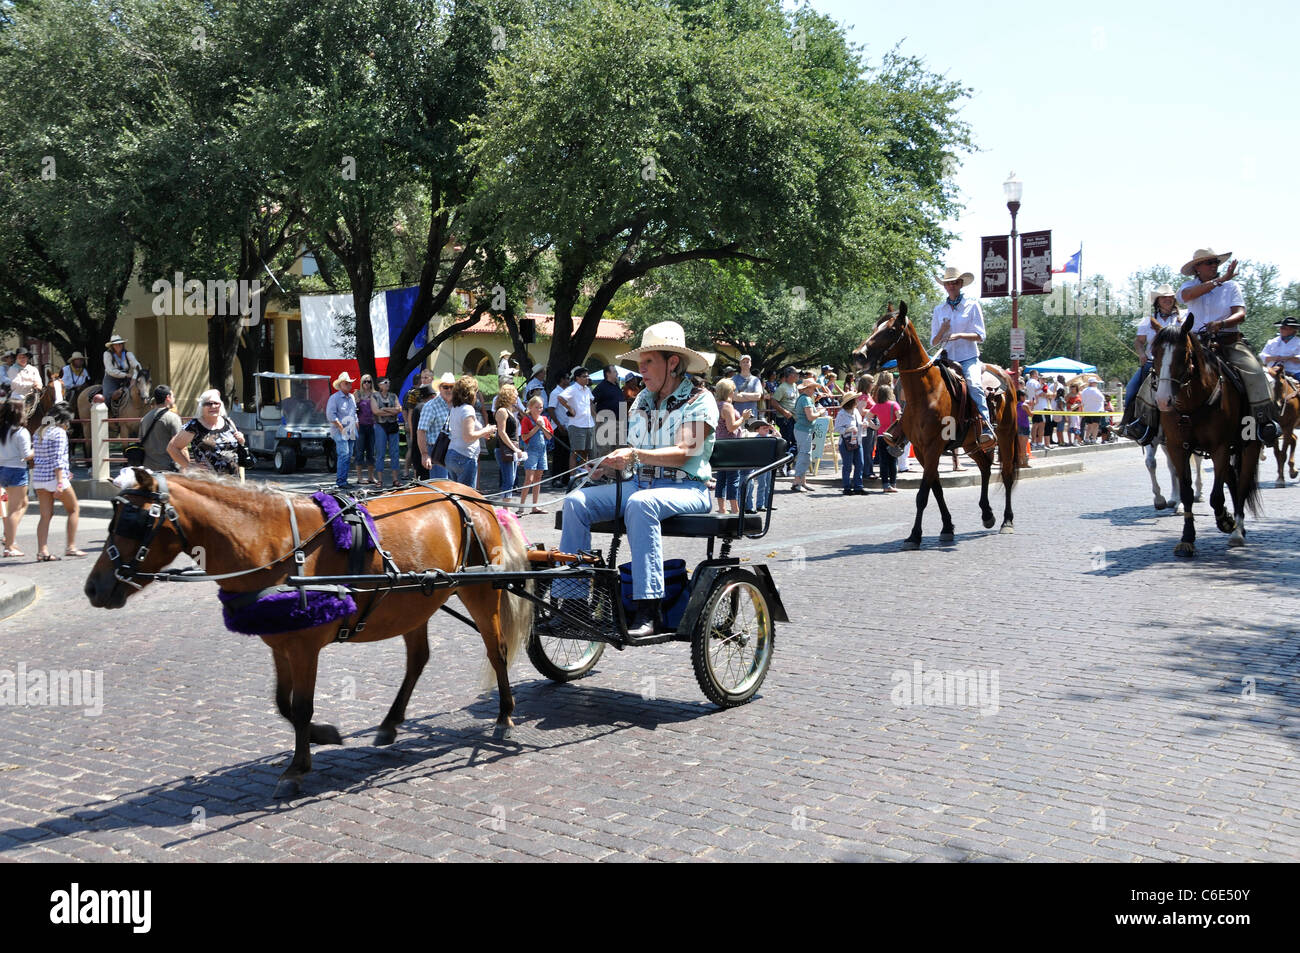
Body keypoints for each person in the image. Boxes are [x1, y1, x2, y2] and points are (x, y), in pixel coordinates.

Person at [553, 321, 717, 638]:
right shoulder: (641, 400)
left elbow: (684, 452)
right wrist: (606, 467)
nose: (641, 370)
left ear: (673, 362)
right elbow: (630, 453)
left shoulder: (700, 399)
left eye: (648, 362)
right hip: (639, 485)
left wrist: (634, 456)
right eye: (640, 364)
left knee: (641, 504)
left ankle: (649, 608)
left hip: (687, 489)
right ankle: (573, 604)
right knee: (574, 502)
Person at [1174, 247, 1279, 442]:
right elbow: (1187, 296)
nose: (1214, 265)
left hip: (1228, 341)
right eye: (1209, 262)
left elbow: (1240, 314)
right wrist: (1219, 281)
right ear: (1197, 267)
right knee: (1161, 373)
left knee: (1255, 372)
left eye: (1216, 262)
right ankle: (1151, 423)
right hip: (1196, 344)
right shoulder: (1187, 286)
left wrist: (1221, 323)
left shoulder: (1232, 287)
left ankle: (1264, 422)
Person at [931, 266, 997, 449]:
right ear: (944, 286)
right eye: (948, 283)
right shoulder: (939, 310)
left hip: (968, 357)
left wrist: (958, 335)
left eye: (954, 282)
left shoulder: (972, 305)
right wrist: (943, 331)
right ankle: (911, 429)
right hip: (945, 358)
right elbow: (933, 341)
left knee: (974, 385)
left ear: (960, 284)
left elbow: (980, 335)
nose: (951, 286)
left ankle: (986, 426)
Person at [1121, 285, 1180, 438]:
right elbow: (1139, 342)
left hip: (1177, 365)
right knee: (1131, 389)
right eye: (1163, 297)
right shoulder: (1148, 321)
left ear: (1174, 299)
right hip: (1152, 363)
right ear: (1157, 301)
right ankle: (1128, 424)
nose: (1167, 299)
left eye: (1170, 297)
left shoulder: (1183, 318)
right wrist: (1141, 354)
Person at [31, 403, 85, 560]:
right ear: (64, 420)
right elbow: (58, 459)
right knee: (74, 509)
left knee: (45, 516)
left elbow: (42, 457)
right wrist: (61, 482)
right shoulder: (60, 433)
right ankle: (71, 547)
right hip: (55, 478)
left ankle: (42, 551)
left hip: (40, 478)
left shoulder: (38, 432)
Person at [168, 389, 246, 475]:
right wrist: (189, 466)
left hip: (233, 482)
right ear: (201, 406)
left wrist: (241, 441)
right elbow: (172, 447)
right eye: (208, 404)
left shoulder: (228, 422)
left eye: (216, 403)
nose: (213, 406)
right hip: (208, 482)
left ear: (221, 405)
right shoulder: (194, 425)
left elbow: (238, 450)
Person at [445, 375, 495, 488]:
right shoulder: (468, 409)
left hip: (453, 454)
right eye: (476, 391)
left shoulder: (455, 408)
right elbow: (468, 436)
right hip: (464, 456)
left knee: (456, 496)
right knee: (466, 498)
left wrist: (483, 432)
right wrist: (487, 430)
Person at [1, 397, 33, 557]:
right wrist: (37, 450)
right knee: (14, 510)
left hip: (2, 470)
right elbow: (27, 455)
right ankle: (9, 545)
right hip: (16, 471)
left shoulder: (2, 430)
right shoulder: (21, 432)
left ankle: (9, 536)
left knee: (16, 506)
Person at [713, 378, 749, 513]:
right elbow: (731, 427)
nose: (735, 393)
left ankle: (722, 508)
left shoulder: (716, 404)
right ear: (729, 391)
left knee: (721, 477)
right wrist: (743, 418)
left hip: (719, 443)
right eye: (734, 390)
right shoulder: (727, 406)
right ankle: (735, 508)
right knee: (733, 477)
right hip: (730, 445)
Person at [517, 394, 553, 514]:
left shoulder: (545, 419)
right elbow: (524, 437)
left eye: (541, 407)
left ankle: (535, 506)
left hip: (542, 451)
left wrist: (542, 426)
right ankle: (521, 506)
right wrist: (536, 427)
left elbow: (549, 436)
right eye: (537, 407)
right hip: (531, 450)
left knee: (538, 478)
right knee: (529, 479)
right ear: (530, 407)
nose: (539, 409)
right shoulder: (527, 420)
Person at [558, 366, 597, 473]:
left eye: (587, 376)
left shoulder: (587, 389)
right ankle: (572, 478)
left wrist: (596, 416)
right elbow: (560, 397)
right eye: (584, 376)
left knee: (585, 452)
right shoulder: (572, 389)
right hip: (577, 425)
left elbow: (590, 403)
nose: (587, 378)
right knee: (575, 452)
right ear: (577, 378)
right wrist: (570, 408)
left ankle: (583, 476)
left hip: (588, 424)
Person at [418, 372, 456, 480]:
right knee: (441, 487)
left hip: (455, 450)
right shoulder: (430, 406)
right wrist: (425, 454)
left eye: (451, 387)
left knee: (456, 488)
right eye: (446, 387)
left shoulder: (457, 404)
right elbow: (421, 431)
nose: (449, 390)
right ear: (440, 388)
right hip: (436, 450)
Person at [790, 376, 824, 492]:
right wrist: (819, 412)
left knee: (804, 456)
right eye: (814, 388)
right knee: (804, 456)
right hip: (804, 430)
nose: (815, 390)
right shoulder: (805, 399)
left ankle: (802, 482)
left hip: (803, 430)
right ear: (808, 388)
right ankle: (796, 482)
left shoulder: (804, 398)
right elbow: (810, 417)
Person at [138, 384, 183, 471]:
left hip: (148, 468)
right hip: (168, 468)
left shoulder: (144, 418)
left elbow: (140, 440)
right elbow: (180, 445)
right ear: (168, 397)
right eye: (173, 396)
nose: (174, 398)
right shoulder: (173, 418)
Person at [325, 372, 359, 488]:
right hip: (340, 429)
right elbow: (331, 415)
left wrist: (356, 424)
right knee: (344, 454)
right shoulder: (334, 398)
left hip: (350, 428)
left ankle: (343, 480)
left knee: (348, 455)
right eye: (347, 383)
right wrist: (341, 428)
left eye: (350, 383)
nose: (349, 385)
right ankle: (341, 481)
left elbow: (354, 413)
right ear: (340, 385)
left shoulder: (352, 397)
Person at [371, 377, 403, 487]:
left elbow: (398, 409)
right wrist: (391, 411)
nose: (388, 384)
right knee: (380, 453)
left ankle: (395, 479)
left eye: (389, 382)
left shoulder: (393, 395)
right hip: (380, 426)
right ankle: (380, 480)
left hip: (393, 425)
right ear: (379, 385)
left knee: (395, 452)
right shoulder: (374, 396)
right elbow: (375, 411)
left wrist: (384, 409)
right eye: (385, 382)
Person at [494, 384, 523, 503]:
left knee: (511, 480)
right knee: (508, 480)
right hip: (504, 449)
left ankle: (506, 509)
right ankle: (505, 511)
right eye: (515, 394)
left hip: (512, 448)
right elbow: (502, 432)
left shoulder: (511, 410)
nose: (517, 397)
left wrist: (517, 450)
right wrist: (515, 449)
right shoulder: (502, 411)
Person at [591, 364, 625, 461]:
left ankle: (615, 474)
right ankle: (604, 473)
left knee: (619, 449)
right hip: (606, 422)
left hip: (620, 422)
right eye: (614, 371)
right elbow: (590, 402)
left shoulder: (616, 386)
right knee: (605, 450)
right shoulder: (601, 387)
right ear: (608, 374)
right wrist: (596, 416)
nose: (617, 373)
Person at [873, 384, 902, 493]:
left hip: (880, 436)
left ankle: (885, 485)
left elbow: (867, 418)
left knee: (883, 462)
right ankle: (893, 484)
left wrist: (876, 427)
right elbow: (900, 418)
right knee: (893, 461)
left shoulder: (876, 406)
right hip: (892, 436)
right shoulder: (894, 405)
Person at [770, 366, 800, 473]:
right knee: (788, 442)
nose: (798, 376)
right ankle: (785, 465)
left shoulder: (794, 386)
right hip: (785, 419)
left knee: (795, 442)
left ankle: (785, 464)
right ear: (791, 375)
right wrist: (784, 412)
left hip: (793, 418)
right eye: (796, 374)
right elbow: (773, 401)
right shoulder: (782, 387)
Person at [835, 391, 865, 495]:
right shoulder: (841, 414)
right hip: (846, 442)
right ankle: (846, 487)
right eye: (856, 399)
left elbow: (859, 424)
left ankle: (858, 486)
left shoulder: (856, 411)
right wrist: (848, 429)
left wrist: (864, 425)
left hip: (857, 440)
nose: (858, 400)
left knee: (860, 463)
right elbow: (837, 429)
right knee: (847, 466)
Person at [101, 334, 142, 403]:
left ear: (122, 345)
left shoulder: (128, 354)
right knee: (107, 397)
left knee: (139, 392)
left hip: (126, 379)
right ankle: (106, 412)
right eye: (116, 344)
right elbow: (110, 370)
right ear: (112, 346)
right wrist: (126, 375)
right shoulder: (107, 354)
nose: (118, 346)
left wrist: (134, 378)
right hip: (111, 379)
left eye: (120, 344)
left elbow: (138, 366)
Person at [1260, 316, 1300, 381]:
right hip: (1272, 370)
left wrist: (1289, 358)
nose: (1281, 329)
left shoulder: (1298, 342)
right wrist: (1275, 358)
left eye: (1284, 328)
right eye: (1281, 327)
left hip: (1293, 372)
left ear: (1293, 330)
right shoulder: (1272, 342)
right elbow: (1262, 356)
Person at [354, 374, 378, 484]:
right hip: (361, 426)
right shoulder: (357, 393)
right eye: (365, 381)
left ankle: (371, 476)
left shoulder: (375, 394)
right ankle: (359, 477)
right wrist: (357, 401)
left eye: (369, 381)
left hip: (372, 425)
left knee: (371, 452)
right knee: (359, 452)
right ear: (361, 383)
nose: (367, 383)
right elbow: (352, 409)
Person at [731, 355, 763, 420]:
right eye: (743, 362)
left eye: (747, 362)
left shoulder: (756, 380)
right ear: (740, 364)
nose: (746, 363)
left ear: (750, 364)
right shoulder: (734, 379)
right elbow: (735, 397)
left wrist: (742, 394)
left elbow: (758, 396)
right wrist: (752, 397)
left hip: (752, 416)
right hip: (737, 416)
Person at [1080, 378, 1105, 443]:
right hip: (1096, 410)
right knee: (1095, 425)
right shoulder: (1095, 390)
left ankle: (1087, 438)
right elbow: (1102, 398)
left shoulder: (1084, 390)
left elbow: (1083, 401)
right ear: (1092, 383)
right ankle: (1094, 439)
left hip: (1087, 410)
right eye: (1095, 383)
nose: (1096, 384)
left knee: (1089, 425)